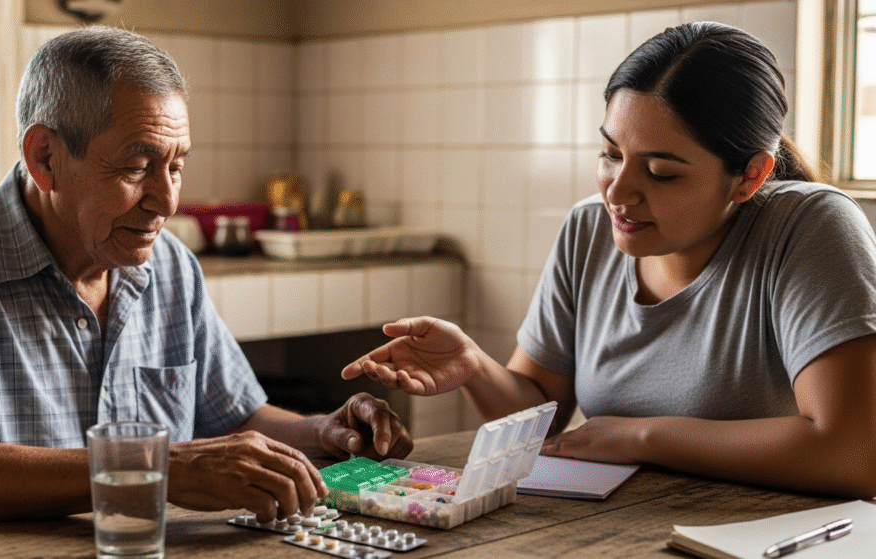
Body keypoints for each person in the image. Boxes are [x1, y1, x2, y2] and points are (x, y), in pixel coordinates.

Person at [0, 25, 412, 528]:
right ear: (44, 157)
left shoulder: (168, 264)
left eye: (175, 166)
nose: (166, 201)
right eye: (136, 167)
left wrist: (321, 433)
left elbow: (235, 415)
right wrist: (154, 467)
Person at [343, 21, 876, 498]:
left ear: (751, 176)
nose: (617, 192)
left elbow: (852, 453)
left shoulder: (809, 226)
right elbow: (541, 421)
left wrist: (642, 436)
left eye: (661, 171)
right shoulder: (588, 229)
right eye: (611, 154)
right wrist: (473, 368)